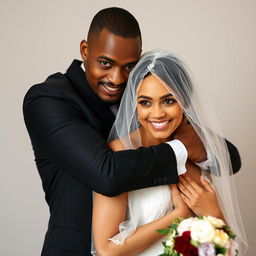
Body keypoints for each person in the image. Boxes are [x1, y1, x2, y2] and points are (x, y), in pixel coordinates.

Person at [23, 8, 241, 256]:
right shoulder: (48, 99)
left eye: (128, 67)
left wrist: (212, 211)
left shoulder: (144, 91)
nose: (116, 78)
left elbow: (229, 158)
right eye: (105, 63)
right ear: (85, 50)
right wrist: (182, 148)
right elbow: (108, 173)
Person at [92, 50, 248, 255]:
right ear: (134, 103)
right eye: (145, 102)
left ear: (184, 101)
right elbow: (106, 250)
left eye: (168, 100)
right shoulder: (120, 154)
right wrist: (179, 215)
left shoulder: (194, 152)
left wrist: (214, 214)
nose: (157, 113)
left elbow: (220, 247)